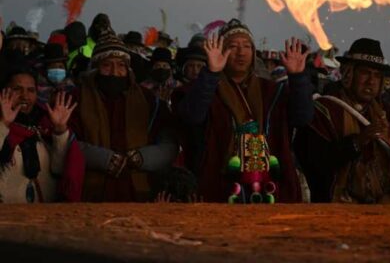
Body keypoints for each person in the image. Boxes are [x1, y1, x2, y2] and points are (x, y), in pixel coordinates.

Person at [173, 19, 313, 203]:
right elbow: (192, 117)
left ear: (254, 52)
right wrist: (211, 73)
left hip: (270, 186)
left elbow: (302, 118)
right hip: (218, 185)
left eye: (247, 46)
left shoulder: (271, 91)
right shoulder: (203, 88)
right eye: (233, 46)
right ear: (222, 51)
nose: (241, 52)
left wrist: (297, 78)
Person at [294, 38, 390, 203]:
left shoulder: (386, 115)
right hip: (334, 212)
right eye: (365, 73)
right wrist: (357, 142)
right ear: (349, 74)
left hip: (379, 215)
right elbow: (313, 163)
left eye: (377, 75)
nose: (371, 81)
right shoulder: (325, 110)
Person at [71, 29, 178, 202]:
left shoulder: (147, 99)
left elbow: (169, 144)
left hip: (140, 194)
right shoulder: (77, 98)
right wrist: (103, 159)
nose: (115, 71)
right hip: (90, 194)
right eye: (107, 65)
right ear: (96, 68)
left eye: (121, 65)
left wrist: (142, 158)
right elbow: (66, 143)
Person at [0, 68, 83, 203]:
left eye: (31, 90)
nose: (25, 96)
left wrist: (60, 131)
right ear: (4, 91)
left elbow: (58, 169)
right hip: (7, 216)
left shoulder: (45, 125)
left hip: (45, 215)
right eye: (17, 89)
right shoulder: (2, 126)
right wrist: (4, 124)